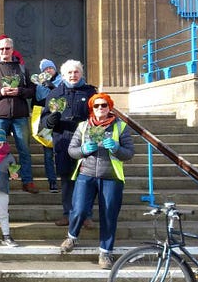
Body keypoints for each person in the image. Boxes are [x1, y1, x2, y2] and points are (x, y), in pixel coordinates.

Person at [60, 93, 135, 269]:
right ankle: (72, 237)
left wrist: (116, 148)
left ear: (109, 107)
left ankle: (105, 252)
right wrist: (83, 150)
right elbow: (72, 150)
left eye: (104, 105)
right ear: (91, 108)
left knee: (109, 215)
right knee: (79, 209)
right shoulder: (83, 126)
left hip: (111, 176)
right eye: (96, 105)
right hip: (86, 174)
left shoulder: (120, 126)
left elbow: (129, 153)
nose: (100, 108)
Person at [39, 59, 97, 226]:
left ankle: (86, 215)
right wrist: (51, 119)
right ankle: (68, 214)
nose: (73, 75)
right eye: (69, 73)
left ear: (81, 74)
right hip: (63, 140)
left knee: (86, 179)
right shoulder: (55, 94)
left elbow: (98, 115)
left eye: (76, 72)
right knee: (66, 179)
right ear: (63, 75)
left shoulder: (90, 92)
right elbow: (44, 121)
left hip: (85, 141)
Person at [0, 36, 39, 194]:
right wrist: (0, 92)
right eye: (1, 49)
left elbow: (32, 90)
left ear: (12, 50)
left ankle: (27, 181)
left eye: (7, 48)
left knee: (24, 149)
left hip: (20, 115)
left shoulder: (22, 69)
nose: (4, 51)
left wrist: (19, 91)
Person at [34, 58, 62, 194]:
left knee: (61, 151)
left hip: (61, 120)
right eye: (45, 69)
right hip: (46, 121)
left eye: (50, 68)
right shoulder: (39, 85)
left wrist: (52, 88)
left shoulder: (63, 81)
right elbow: (37, 102)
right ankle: (52, 181)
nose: (48, 71)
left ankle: (65, 179)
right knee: (48, 153)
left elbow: (64, 98)